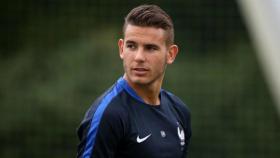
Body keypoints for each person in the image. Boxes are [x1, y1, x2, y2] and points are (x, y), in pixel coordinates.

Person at [77, 4, 191, 158]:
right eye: (131, 46)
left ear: (171, 54)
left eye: (150, 48)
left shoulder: (179, 111)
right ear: (121, 49)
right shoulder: (109, 115)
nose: (138, 57)